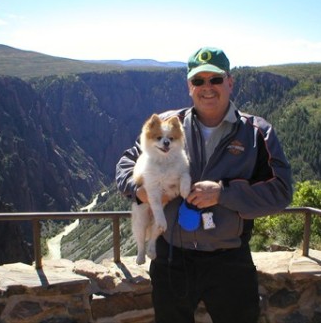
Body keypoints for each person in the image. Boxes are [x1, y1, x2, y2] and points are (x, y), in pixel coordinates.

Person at [115, 47, 293, 323]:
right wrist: (138, 191)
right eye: (198, 81)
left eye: (215, 79)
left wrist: (224, 194)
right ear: (189, 86)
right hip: (172, 257)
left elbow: (280, 191)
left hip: (229, 260)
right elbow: (126, 163)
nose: (207, 88)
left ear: (230, 82)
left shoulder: (257, 132)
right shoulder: (167, 126)